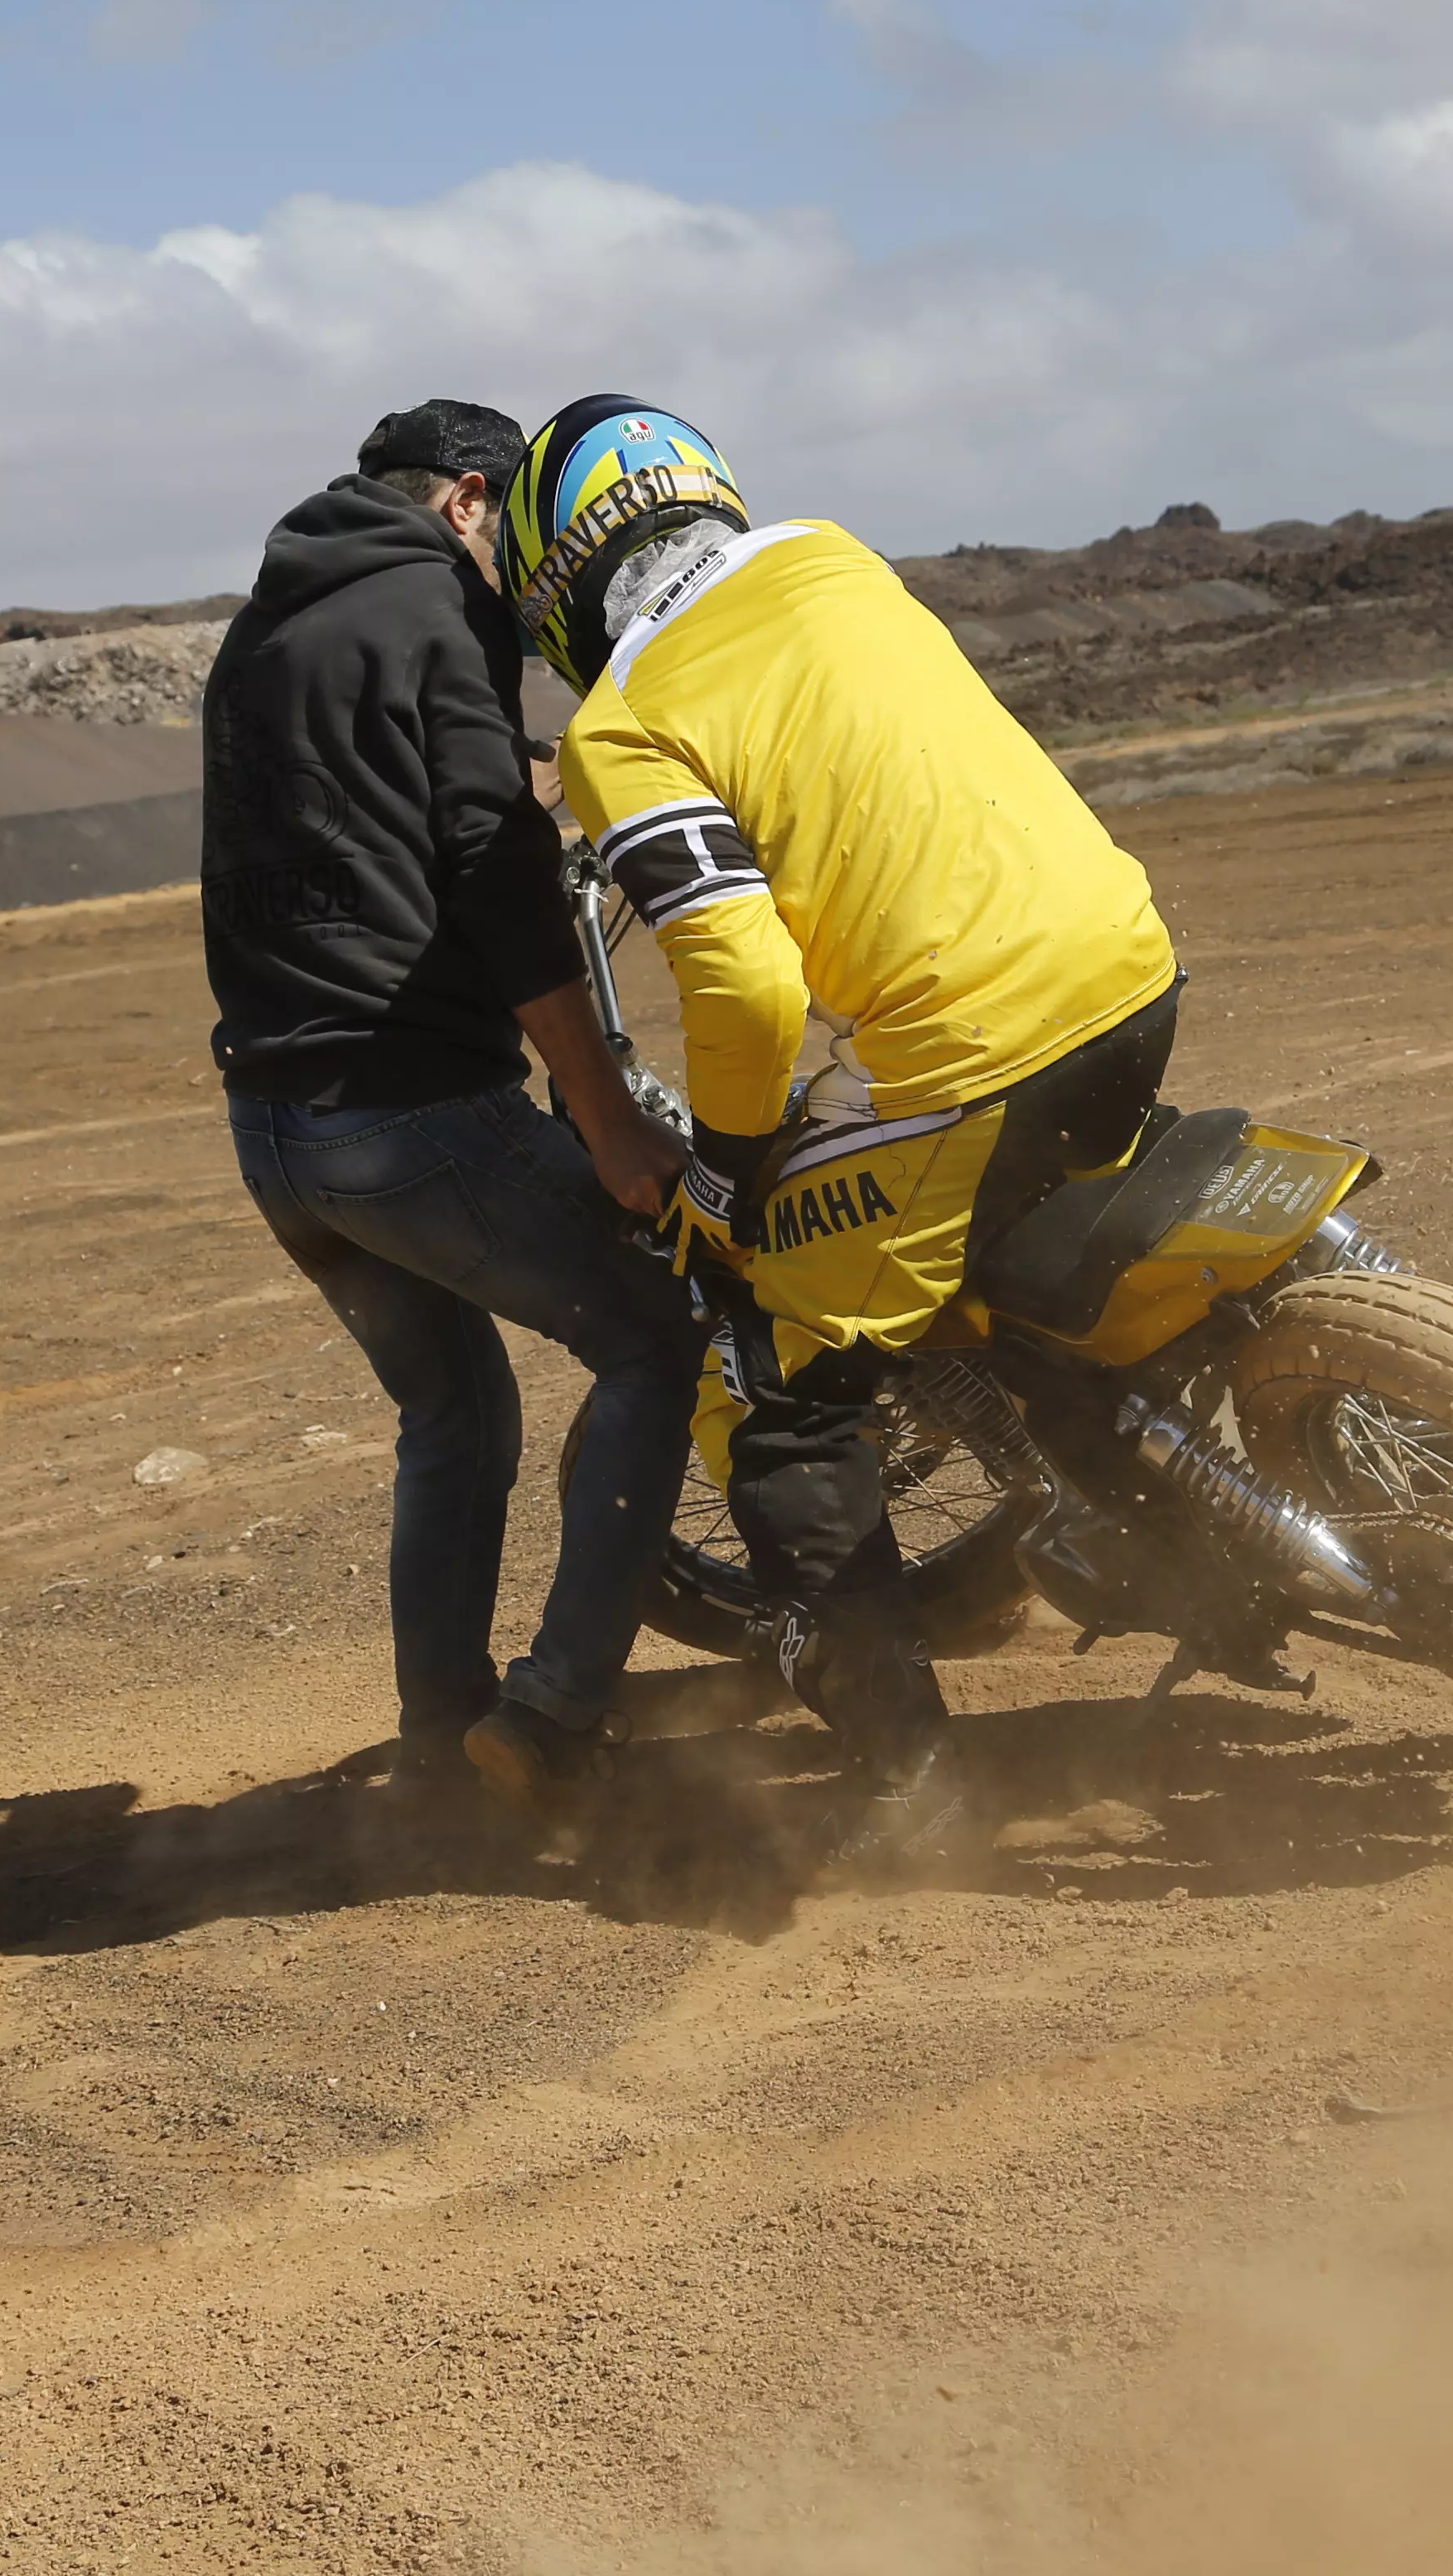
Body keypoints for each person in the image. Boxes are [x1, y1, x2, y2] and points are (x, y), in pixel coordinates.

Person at [495, 394, 1182, 1865]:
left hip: (966, 1060)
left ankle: (913, 1792)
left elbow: (746, 979)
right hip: (1130, 968)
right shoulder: (840, 559)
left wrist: (729, 1175)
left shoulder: (624, 725)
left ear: (556, 585)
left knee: (770, 1385)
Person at [199, 399, 700, 1825]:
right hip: (406, 1115)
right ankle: (552, 1722)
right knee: (654, 1337)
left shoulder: (271, 623)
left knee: (456, 1407)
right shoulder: (438, 602)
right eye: (518, 532)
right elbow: (487, 863)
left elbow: (368, 818)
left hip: (277, 1126)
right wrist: (602, 1117)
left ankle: (442, 1744)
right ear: (473, 500)